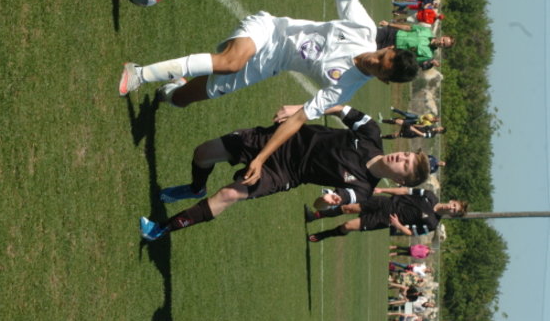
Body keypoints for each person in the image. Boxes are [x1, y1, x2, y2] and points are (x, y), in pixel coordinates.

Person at [121, 0, 418, 183]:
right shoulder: (364, 29)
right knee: (230, 62)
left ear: (383, 80)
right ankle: (138, 74)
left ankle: (173, 89)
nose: (372, 60)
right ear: (388, 48)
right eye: (381, 56)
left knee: (181, 98)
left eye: (379, 68)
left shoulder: (345, 88)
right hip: (270, 30)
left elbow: (298, 119)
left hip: (270, 64)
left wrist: (262, 157)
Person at [138, 105, 430, 241]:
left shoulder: (363, 190)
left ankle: (161, 229)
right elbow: (339, 107)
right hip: (283, 136)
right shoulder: (371, 133)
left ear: (400, 180)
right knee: (203, 153)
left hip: (285, 172)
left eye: (404, 165)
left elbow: (321, 203)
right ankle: (196, 188)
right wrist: (300, 110)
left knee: (229, 194)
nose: (400, 157)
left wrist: (325, 202)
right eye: (406, 155)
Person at [307, 187, 468, 242]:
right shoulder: (429, 195)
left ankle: (323, 235)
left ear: (452, 215)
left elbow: (411, 233)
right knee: (347, 208)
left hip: (386, 219)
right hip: (385, 202)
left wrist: (398, 225)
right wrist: (383, 190)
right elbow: (405, 191)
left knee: (347, 226)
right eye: (454, 205)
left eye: (454, 210)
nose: (451, 208)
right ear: (452, 201)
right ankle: (315, 216)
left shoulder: (432, 223)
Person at [376, 21, 454, 69]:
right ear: (443, 36)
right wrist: (389, 24)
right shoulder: (427, 31)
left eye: (444, 44)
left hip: (392, 49)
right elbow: (408, 28)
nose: (441, 42)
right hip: (392, 33)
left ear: (443, 47)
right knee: (371, 35)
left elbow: (410, 60)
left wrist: (393, 57)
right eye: (443, 40)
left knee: (371, 49)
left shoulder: (428, 55)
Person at [381, 123, 446, 140]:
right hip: (413, 127)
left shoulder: (432, 135)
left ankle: (382, 136)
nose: (439, 128)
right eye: (441, 127)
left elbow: (423, 135)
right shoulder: (432, 126)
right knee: (401, 122)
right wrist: (414, 125)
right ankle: (384, 121)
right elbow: (423, 126)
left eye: (440, 130)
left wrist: (414, 130)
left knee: (397, 134)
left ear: (440, 132)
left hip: (412, 133)